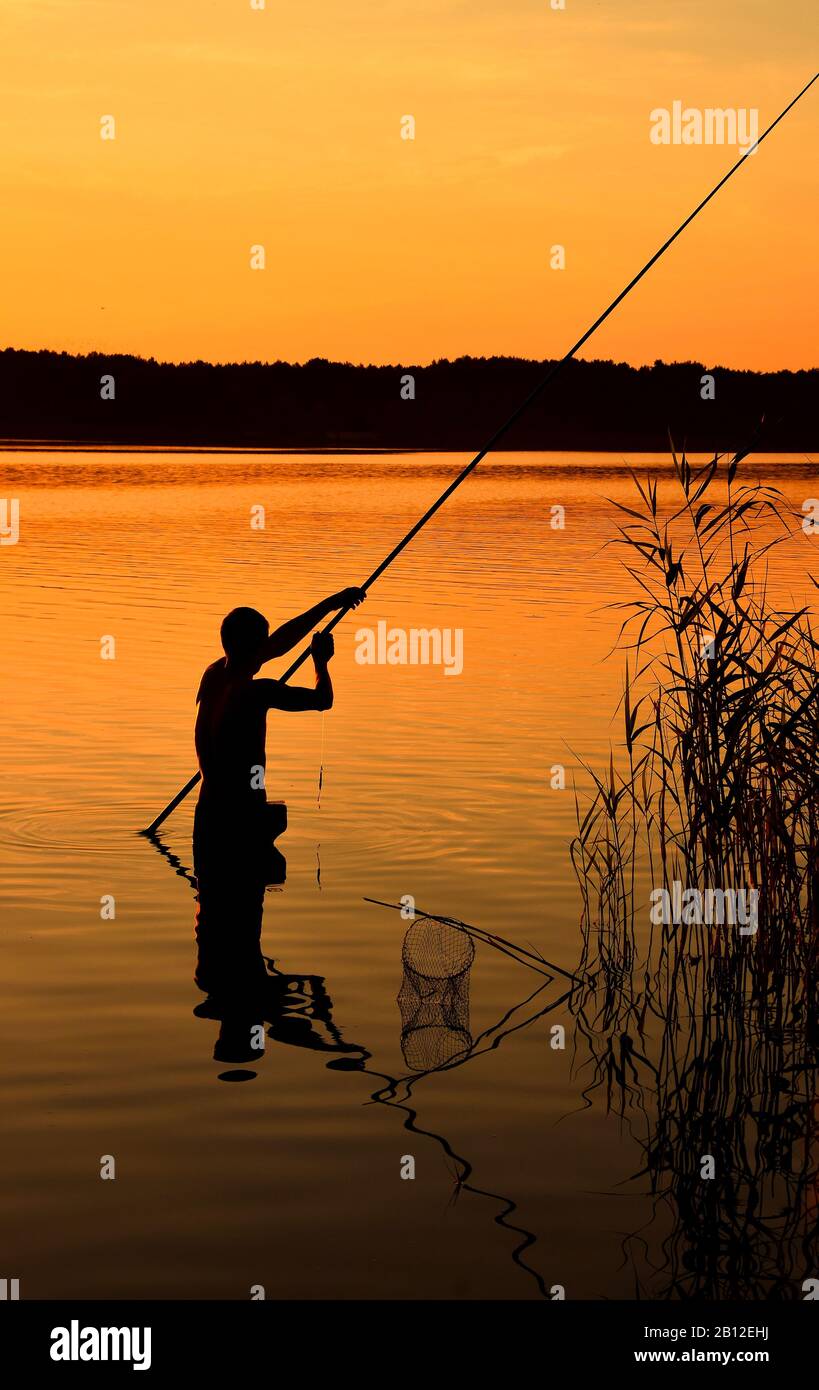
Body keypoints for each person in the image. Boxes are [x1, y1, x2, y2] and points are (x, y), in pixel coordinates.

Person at [194, 587, 365, 811]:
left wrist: (332, 604)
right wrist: (320, 663)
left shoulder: (212, 675)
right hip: (244, 810)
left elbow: (279, 643)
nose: (269, 647)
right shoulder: (258, 692)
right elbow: (323, 700)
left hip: (208, 808)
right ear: (255, 649)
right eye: (263, 643)